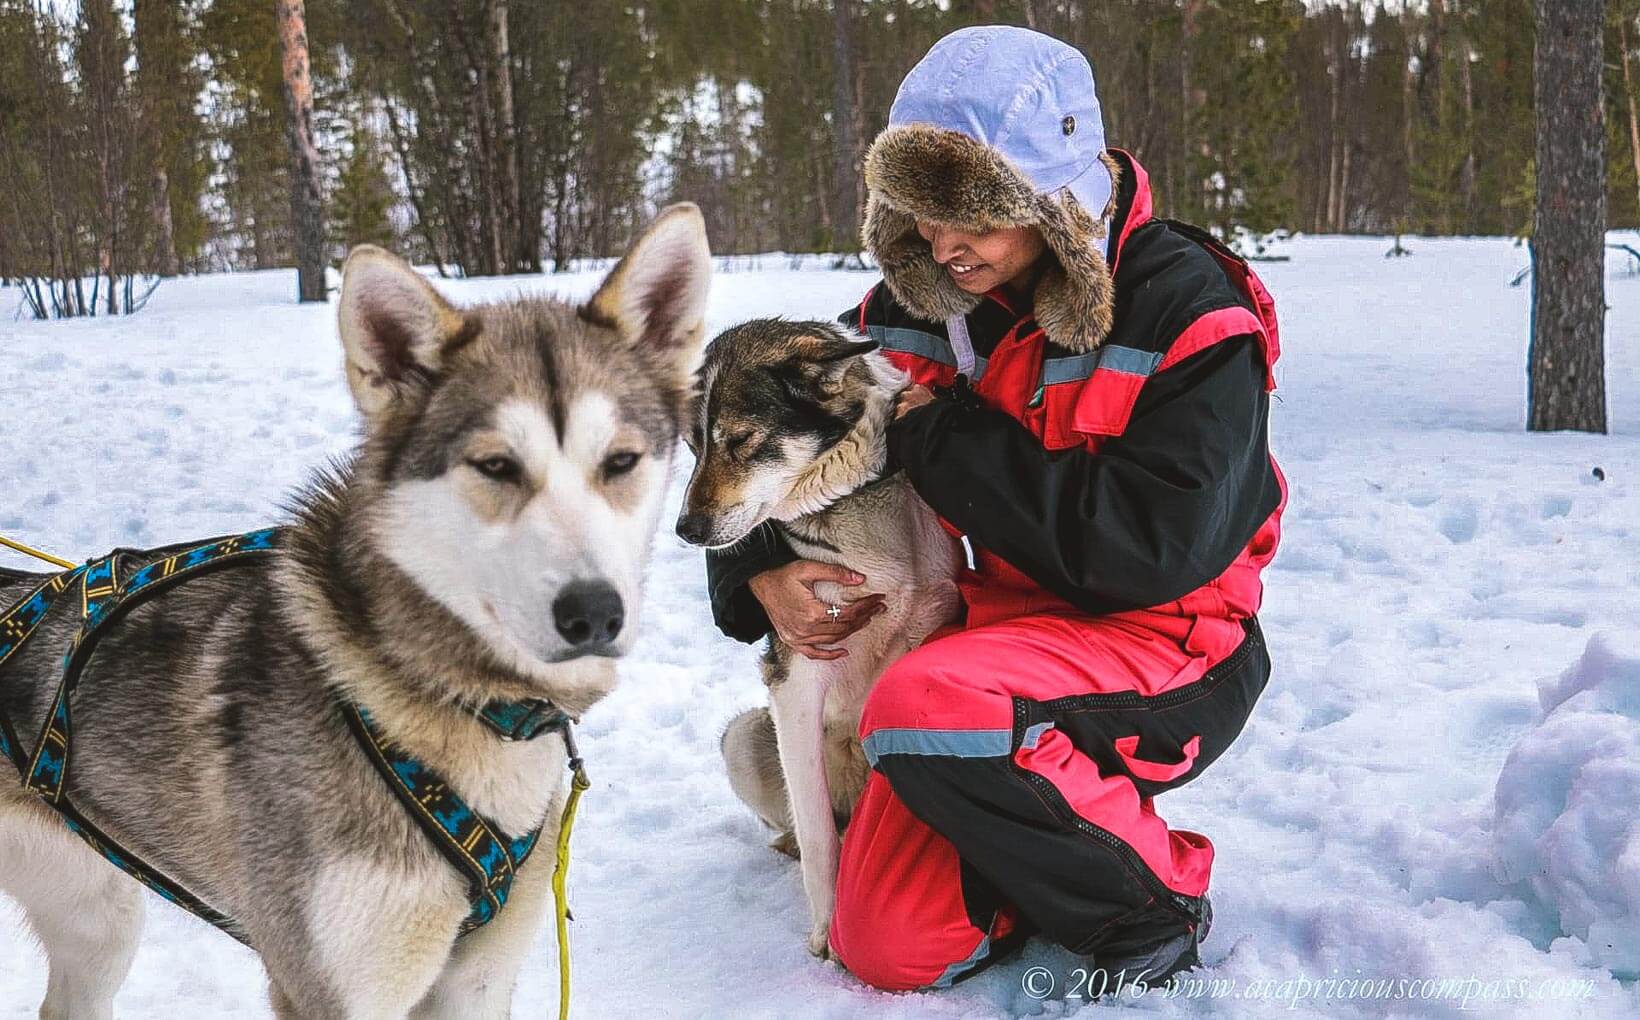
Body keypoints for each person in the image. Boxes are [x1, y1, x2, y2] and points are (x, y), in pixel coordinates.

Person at [705, 24, 1285, 992]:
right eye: (920, 214)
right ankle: (1028, 849)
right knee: (885, 946)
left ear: (1049, 196)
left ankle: (1149, 902)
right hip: (997, 643)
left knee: (920, 704)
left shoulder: (1187, 312)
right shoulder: (923, 300)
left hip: (1169, 643)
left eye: (967, 213)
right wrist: (754, 568)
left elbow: (1152, 549)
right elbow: (788, 428)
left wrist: (938, 434)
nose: (940, 243)